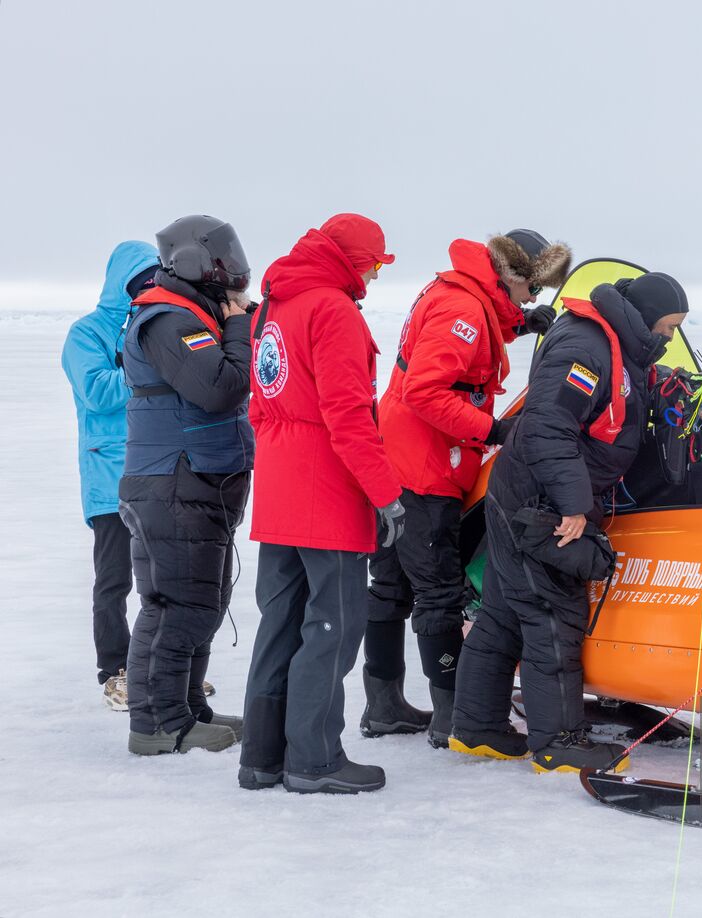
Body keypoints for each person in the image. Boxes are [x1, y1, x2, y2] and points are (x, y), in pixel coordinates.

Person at [451, 272, 689, 771]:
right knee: (553, 614)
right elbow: (546, 428)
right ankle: (559, 743)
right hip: (541, 502)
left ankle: (477, 729)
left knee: (501, 614)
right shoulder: (586, 349)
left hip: (521, 491)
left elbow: (606, 406)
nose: (668, 339)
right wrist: (574, 505)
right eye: (667, 328)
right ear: (645, 319)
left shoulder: (611, 341)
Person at [367, 230, 570, 747]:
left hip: (395, 454)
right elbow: (428, 390)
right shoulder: (463, 308)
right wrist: (493, 430)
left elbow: (474, 338)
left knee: (390, 585)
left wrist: (522, 325)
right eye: (533, 290)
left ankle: (383, 703)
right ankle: (451, 712)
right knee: (437, 588)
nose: (535, 298)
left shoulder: (461, 290)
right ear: (514, 274)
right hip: (425, 464)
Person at [238, 214, 405, 794]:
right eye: (376, 264)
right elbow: (349, 416)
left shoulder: (272, 307)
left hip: (281, 487)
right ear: (352, 258)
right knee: (333, 625)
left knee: (280, 622)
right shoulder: (331, 310)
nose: (375, 276)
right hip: (326, 492)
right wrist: (385, 493)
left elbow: (259, 404)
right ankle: (314, 758)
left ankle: (261, 758)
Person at [120, 215, 254, 755]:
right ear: (196, 261)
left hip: (188, 479)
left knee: (199, 600)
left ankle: (187, 707)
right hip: (175, 482)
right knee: (183, 606)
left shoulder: (191, 316)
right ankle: (161, 723)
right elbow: (221, 387)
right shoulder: (171, 322)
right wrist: (241, 327)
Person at [61, 241, 160, 709]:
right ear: (123, 283)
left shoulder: (147, 325)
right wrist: (149, 368)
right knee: (115, 580)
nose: (152, 287)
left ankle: (159, 669)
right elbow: (99, 393)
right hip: (108, 477)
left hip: (154, 471)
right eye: (144, 280)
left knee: (160, 581)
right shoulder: (86, 334)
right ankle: (115, 672)